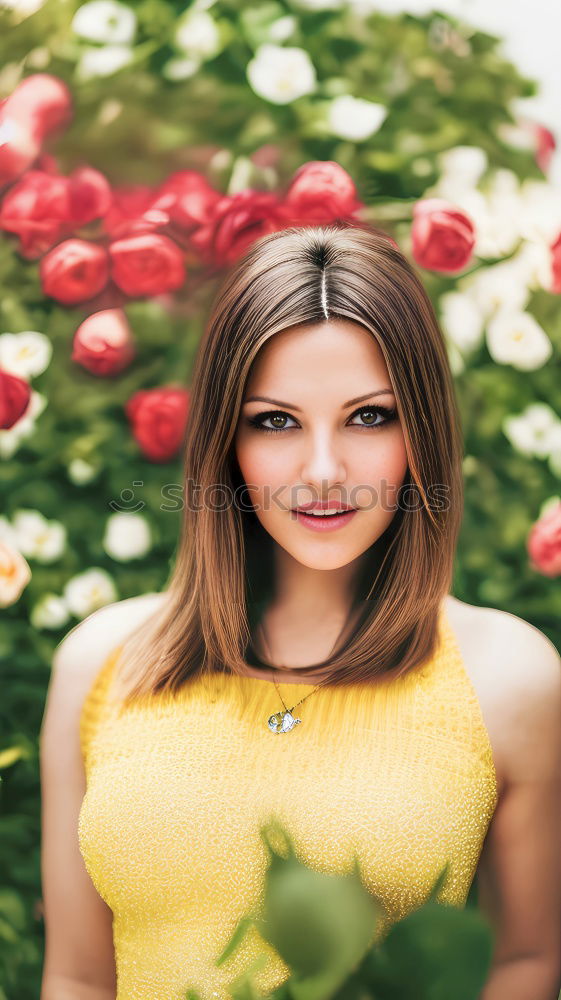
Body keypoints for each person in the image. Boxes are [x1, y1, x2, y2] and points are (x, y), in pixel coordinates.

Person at [40, 224, 561, 1000]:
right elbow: (79, 979)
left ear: (422, 430)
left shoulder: (508, 679)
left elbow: (526, 963)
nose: (323, 472)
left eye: (369, 416)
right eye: (275, 421)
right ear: (226, 441)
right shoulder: (102, 665)